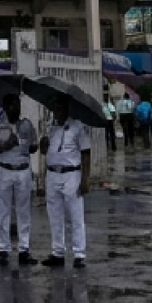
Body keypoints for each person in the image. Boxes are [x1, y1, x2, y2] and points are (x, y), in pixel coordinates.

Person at [0, 93, 39, 265]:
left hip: (22, 170)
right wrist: (6, 145)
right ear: (6, 107)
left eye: (18, 105)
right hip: (4, 170)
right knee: (3, 211)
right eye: (13, 105)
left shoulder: (27, 125)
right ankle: (3, 249)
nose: (17, 108)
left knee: (23, 211)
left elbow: (33, 146)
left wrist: (35, 145)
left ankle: (24, 249)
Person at [39, 97, 90, 268]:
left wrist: (85, 179)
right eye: (55, 107)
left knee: (75, 216)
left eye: (60, 106)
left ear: (67, 109)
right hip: (53, 174)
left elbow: (85, 153)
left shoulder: (78, 127)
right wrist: (43, 144)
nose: (57, 110)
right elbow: (45, 152)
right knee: (55, 215)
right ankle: (57, 252)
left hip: (71, 175)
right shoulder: (51, 127)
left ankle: (79, 253)